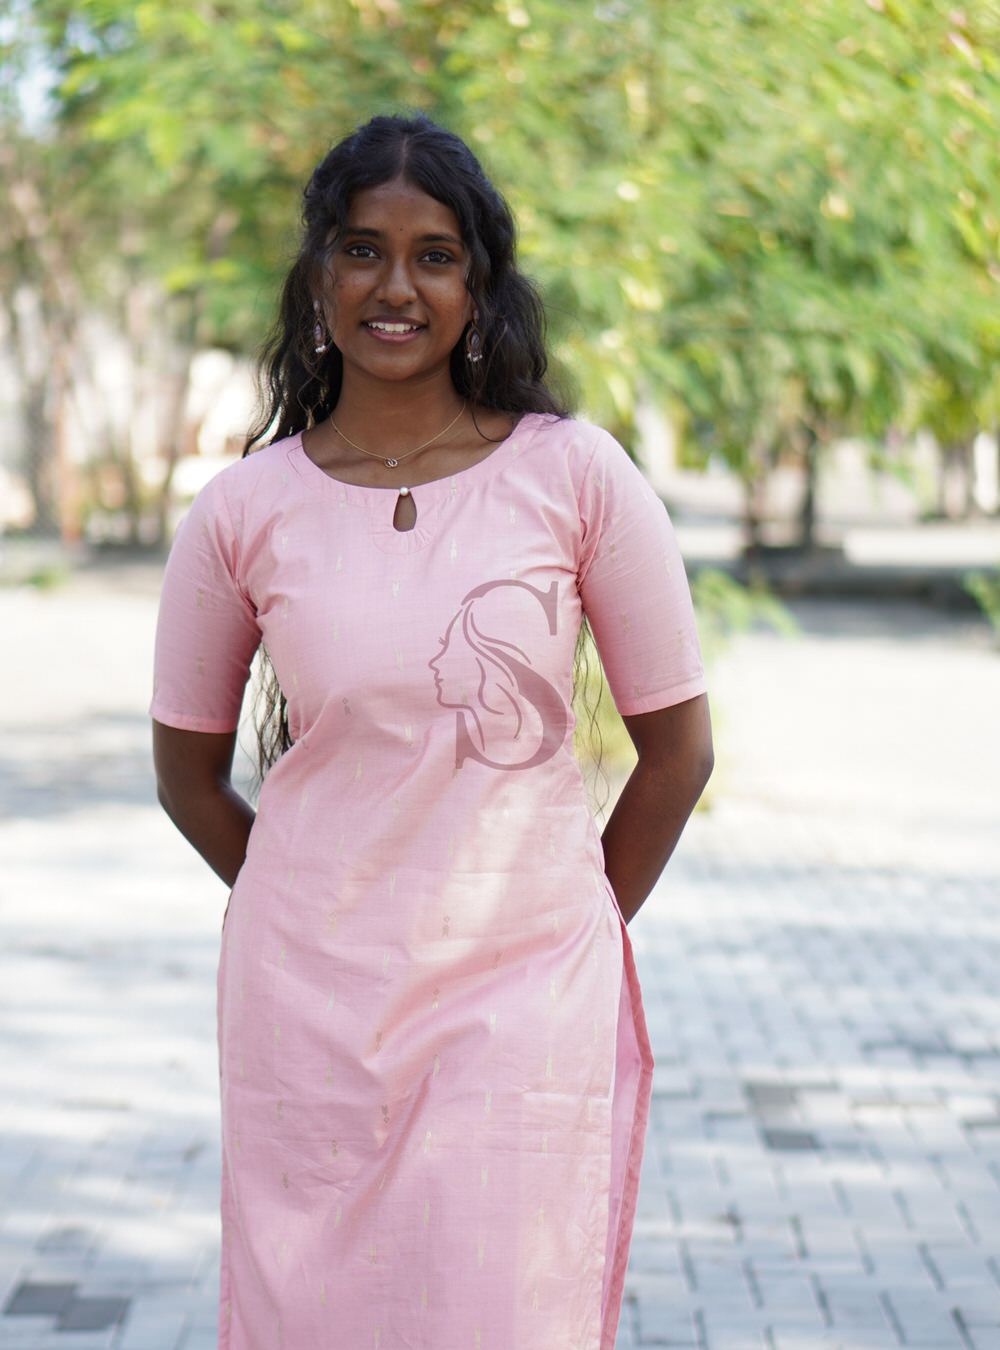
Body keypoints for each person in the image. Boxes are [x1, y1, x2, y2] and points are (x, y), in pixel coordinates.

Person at [150, 111, 713, 1350]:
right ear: (316, 276)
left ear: (479, 284)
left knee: (503, 1312)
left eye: (435, 255)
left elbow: (677, 752)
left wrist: (565, 921)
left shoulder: (574, 477)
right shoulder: (245, 511)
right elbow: (186, 774)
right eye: (360, 250)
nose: (395, 285)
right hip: (308, 1006)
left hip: (519, 1001)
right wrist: (317, 903)